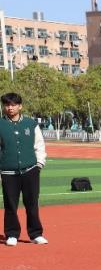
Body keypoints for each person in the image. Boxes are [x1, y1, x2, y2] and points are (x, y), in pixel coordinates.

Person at [1, 92, 47, 246]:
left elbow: (39, 144)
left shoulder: (30, 124)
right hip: (8, 172)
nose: (10, 108)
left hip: (30, 170)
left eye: (13, 105)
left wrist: (39, 164)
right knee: (10, 204)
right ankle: (11, 234)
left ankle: (36, 234)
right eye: (7, 105)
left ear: (20, 106)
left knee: (32, 203)